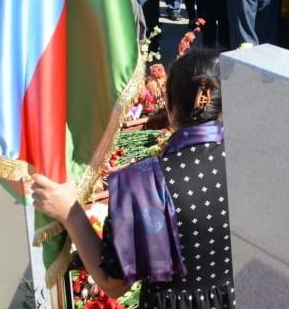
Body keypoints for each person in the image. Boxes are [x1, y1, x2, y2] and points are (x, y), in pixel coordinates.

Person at [32, 50, 235, 308]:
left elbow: (113, 282)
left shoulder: (145, 183)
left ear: (169, 106)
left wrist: (70, 212)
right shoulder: (249, 164)